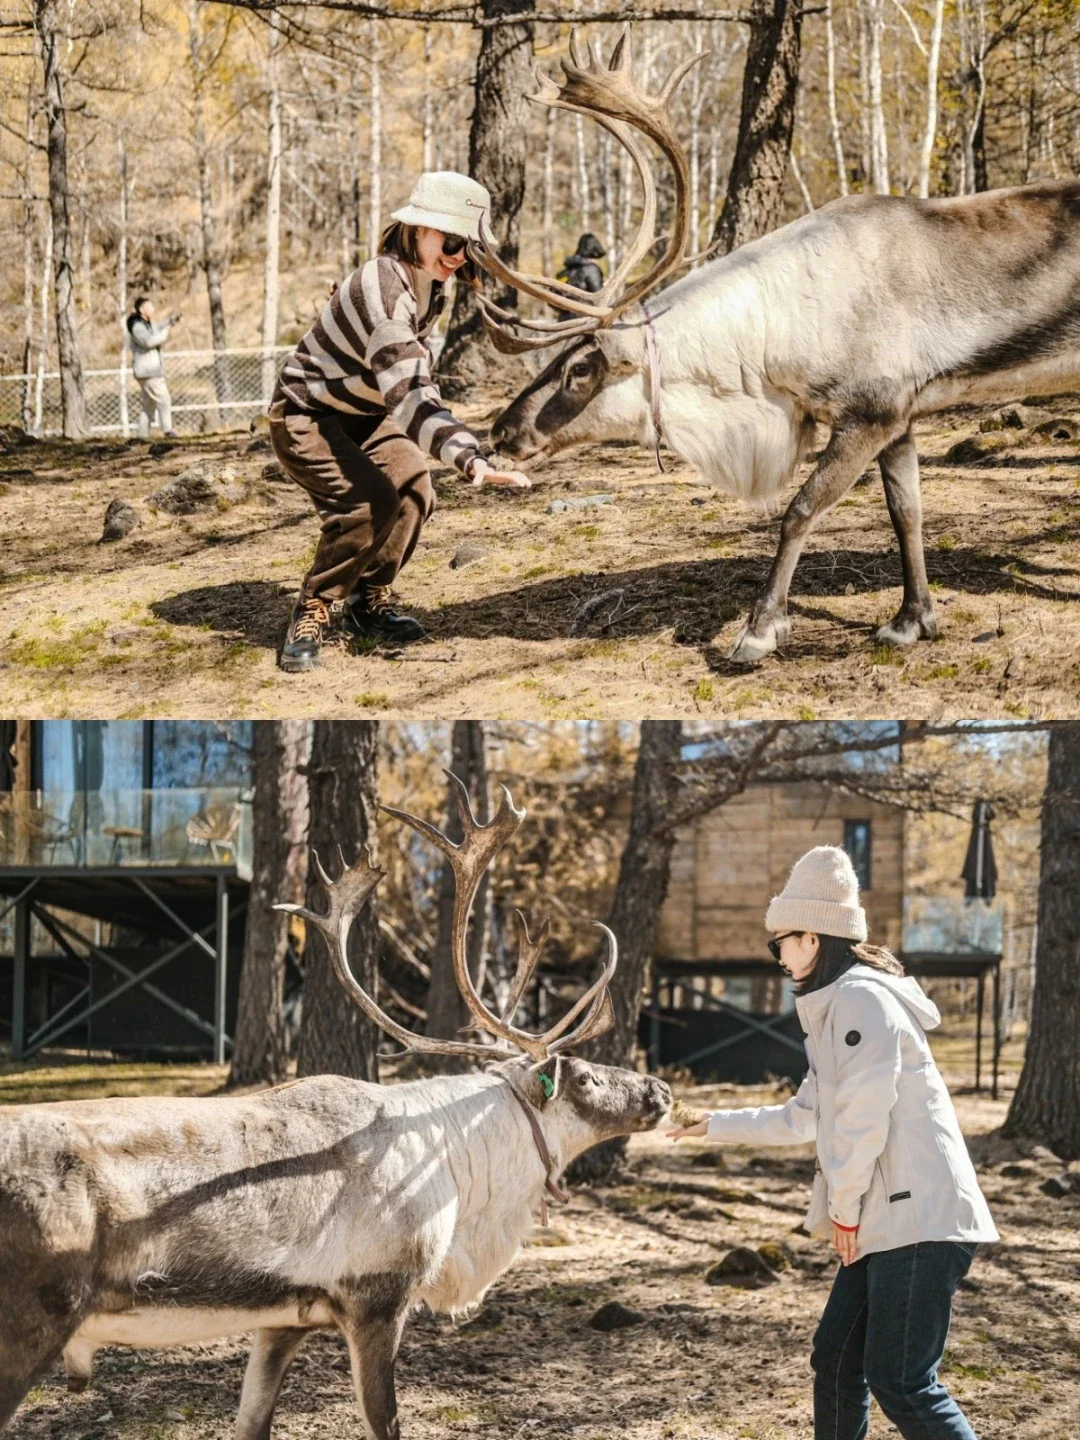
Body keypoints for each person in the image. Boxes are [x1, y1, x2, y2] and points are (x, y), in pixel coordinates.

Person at [668, 846, 998, 1440]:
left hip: (919, 1220)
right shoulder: (839, 1008)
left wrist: (843, 1211)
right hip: (889, 1221)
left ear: (814, 937)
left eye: (781, 942)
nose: (777, 957)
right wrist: (713, 1124)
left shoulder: (861, 1001)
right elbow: (805, 1118)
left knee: (902, 1380)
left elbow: (862, 1120)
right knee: (837, 1362)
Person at [268, 170, 530, 674]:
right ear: (417, 230)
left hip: (365, 412)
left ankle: (370, 602)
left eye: (468, 249)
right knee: (370, 505)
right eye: (452, 242)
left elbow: (408, 381)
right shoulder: (388, 296)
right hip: (305, 415)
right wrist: (468, 457)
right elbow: (410, 394)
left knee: (414, 490)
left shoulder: (431, 287)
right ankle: (316, 607)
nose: (457, 258)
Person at [126, 297, 180, 440]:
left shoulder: (145, 325)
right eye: (150, 306)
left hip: (149, 371)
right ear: (142, 310)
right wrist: (166, 331)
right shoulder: (138, 327)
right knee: (164, 398)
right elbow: (149, 341)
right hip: (148, 372)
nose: (153, 309)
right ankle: (168, 430)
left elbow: (157, 326)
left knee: (149, 404)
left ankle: (142, 435)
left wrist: (170, 321)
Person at [554, 232, 606, 321]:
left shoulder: (565, 272)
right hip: (586, 322)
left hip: (564, 322)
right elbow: (600, 298)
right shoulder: (591, 269)